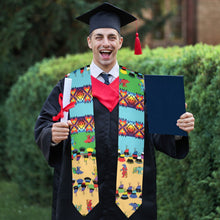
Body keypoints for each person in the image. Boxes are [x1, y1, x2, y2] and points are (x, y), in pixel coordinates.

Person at [34, 2, 195, 220]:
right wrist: (51, 135)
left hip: (130, 204)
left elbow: (158, 135)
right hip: (80, 204)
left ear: (120, 42)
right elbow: (43, 125)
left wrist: (177, 128)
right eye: (99, 37)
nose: (105, 43)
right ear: (89, 42)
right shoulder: (70, 85)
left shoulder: (140, 86)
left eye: (111, 37)